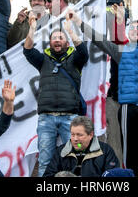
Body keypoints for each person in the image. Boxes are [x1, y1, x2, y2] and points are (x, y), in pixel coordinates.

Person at [74, 8, 138, 175]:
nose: (135, 30)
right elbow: (99, 39)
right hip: (128, 107)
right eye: (132, 28)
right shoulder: (120, 52)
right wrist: (79, 22)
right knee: (129, 147)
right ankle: (131, 174)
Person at [23, 12, 89, 177]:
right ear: (50, 42)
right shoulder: (43, 60)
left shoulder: (75, 59)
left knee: (72, 159)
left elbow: (83, 52)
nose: (58, 40)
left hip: (70, 118)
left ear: (66, 42)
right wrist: (32, 28)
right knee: (45, 160)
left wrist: (71, 31)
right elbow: (27, 50)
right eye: (54, 38)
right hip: (46, 118)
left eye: (61, 37)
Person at [43, 116, 119, 177]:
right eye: (73, 135)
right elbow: (48, 175)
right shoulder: (62, 151)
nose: (75, 139)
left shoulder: (106, 151)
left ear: (90, 135)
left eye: (79, 135)